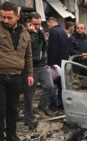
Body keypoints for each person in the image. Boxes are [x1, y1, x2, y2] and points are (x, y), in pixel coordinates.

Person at [0, 1, 34, 140]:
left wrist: (30, 73)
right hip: (0, 75)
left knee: (13, 108)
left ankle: (11, 135)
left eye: (9, 17)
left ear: (17, 17)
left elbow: (28, 55)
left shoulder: (25, 33)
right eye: (3, 17)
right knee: (0, 110)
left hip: (16, 77)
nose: (5, 20)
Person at [23, 12, 54, 130]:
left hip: (43, 65)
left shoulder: (40, 31)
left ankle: (43, 105)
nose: (37, 26)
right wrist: (32, 33)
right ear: (29, 22)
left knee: (50, 86)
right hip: (31, 67)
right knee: (29, 95)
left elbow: (44, 46)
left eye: (39, 24)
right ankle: (28, 118)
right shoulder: (26, 33)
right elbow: (31, 47)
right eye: (34, 24)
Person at [47, 17, 70, 108]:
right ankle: (61, 102)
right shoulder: (63, 31)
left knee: (49, 84)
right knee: (61, 83)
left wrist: (51, 62)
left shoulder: (53, 32)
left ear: (51, 22)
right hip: (63, 61)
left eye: (47, 23)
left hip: (55, 62)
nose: (47, 25)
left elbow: (53, 48)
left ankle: (54, 101)